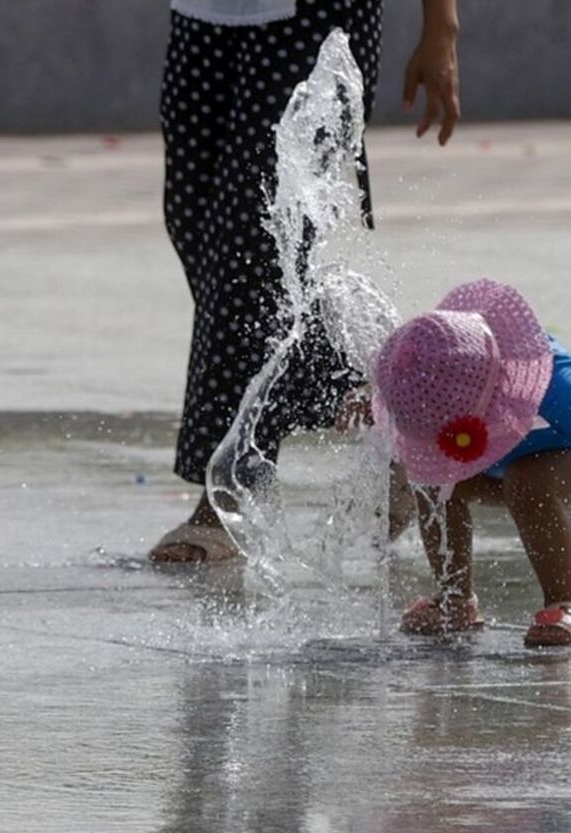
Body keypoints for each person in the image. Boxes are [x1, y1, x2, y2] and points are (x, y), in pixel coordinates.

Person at [151, 0, 462, 563]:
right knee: (195, 224)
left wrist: (440, 25)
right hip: (204, 15)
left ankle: (227, 500)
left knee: (254, 241)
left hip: (315, 14)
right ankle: (394, 411)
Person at [372, 279, 571, 647]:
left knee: (527, 480)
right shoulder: (432, 381)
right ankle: (455, 598)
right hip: (498, 468)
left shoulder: (553, 377)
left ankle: (567, 603)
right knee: (431, 478)